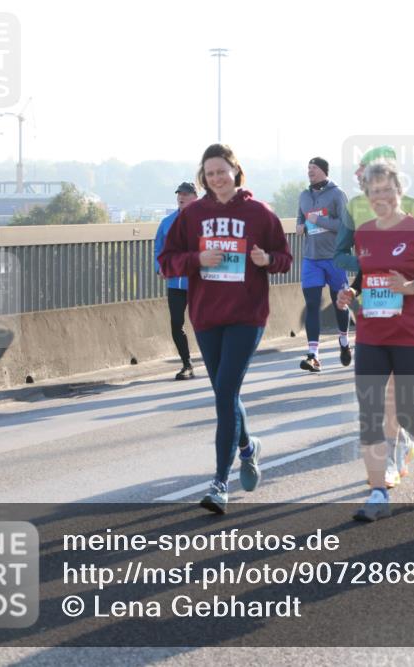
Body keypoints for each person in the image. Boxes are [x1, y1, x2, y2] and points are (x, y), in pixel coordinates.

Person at [159, 143, 293, 514]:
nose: (217, 178)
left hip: (247, 315)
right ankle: (248, 447)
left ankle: (219, 483)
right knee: (224, 392)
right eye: (210, 173)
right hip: (206, 315)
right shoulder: (192, 215)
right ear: (203, 177)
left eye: (222, 171)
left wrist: (267, 259)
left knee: (225, 394)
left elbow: (285, 258)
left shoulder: (259, 212)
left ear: (235, 170)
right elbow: (166, 261)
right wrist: (196, 258)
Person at [335, 161, 414, 521]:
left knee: (405, 413)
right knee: (370, 413)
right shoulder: (365, 233)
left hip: (413, 334)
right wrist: (350, 293)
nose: (381, 196)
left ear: (399, 191)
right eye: (374, 191)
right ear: (367, 196)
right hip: (372, 332)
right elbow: (366, 276)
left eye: (387, 189)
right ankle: (377, 494)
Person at [296, 157, 351, 372]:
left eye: (314, 168)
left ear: (324, 171)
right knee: (312, 305)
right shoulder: (304, 195)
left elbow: (345, 225)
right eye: (308, 167)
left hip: (335, 258)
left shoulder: (337, 194)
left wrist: (318, 220)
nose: (310, 171)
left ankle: (344, 341)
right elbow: (301, 218)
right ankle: (313, 356)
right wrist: (301, 226)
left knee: (340, 304)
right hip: (311, 259)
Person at [154, 182, 199, 380]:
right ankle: (187, 364)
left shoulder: (205, 221)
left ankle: (216, 359)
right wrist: (159, 267)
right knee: (176, 323)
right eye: (179, 194)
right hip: (175, 283)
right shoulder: (167, 222)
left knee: (205, 324)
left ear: (195, 197)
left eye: (186, 194)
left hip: (198, 283)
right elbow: (158, 248)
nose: (181, 197)